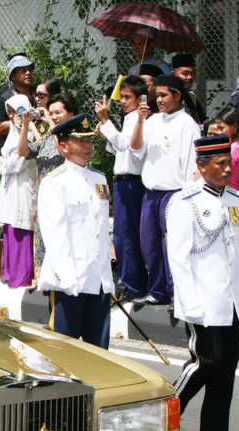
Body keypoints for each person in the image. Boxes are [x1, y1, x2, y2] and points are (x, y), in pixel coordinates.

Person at [166, 135, 239, 431]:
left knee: (225, 368)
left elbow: (238, 256)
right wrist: (191, 303)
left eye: (229, 162)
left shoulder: (236, 200)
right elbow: (179, 257)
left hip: (231, 303)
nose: (228, 169)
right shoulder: (185, 202)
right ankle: (164, 416)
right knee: (204, 362)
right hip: (202, 299)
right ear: (201, 165)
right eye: (220, 163)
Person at [38, 114, 114, 348]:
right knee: (65, 354)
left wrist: (107, 279)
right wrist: (67, 279)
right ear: (63, 146)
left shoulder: (99, 179)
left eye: (89, 141)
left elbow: (101, 229)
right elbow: (54, 234)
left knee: (100, 354)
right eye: (79, 141)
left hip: (98, 279)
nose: (87, 146)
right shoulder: (54, 182)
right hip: (70, 281)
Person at [130, 75, 201, 306]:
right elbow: (136, 148)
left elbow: (193, 165)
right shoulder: (152, 121)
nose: (158, 100)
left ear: (177, 95)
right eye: (156, 95)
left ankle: (177, 293)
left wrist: (188, 197)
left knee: (174, 247)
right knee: (149, 243)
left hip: (175, 193)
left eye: (163, 95)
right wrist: (140, 121)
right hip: (151, 192)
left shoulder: (187, 124)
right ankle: (158, 290)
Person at [96, 75, 148, 300]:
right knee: (121, 234)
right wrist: (106, 131)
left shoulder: (139, 118)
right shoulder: (129, 118)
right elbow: (119, 149)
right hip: (123, 181)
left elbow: (126, 145)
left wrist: (106, 121)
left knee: (127, 236)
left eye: (128, 97)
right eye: (122, 97)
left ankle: (134, 285)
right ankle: (131, 282)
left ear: (140, 98)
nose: (123, 101)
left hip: (132, 182)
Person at [25, 93, 74, 285]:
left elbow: (65, 152)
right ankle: (41, 275)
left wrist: (51, 125)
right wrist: (26, 126)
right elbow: (25, 151)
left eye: (58, 113)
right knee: (42, 234)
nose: (53, 116)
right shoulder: (46, 138)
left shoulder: (74, 137)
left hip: (64, 195)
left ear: (70, 113)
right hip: (44, 195)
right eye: (51, 113)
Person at [0, 95, 38, 288]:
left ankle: (21, 278)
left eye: (16, 111)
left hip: (22, 187)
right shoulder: (13, 133)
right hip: (10, 187)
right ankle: (11, 275)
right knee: (10, 227)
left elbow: (15, 164)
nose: (13, 116)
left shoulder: (28, 135)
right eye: (10, 112)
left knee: (20, 227)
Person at [0, 54, 34, 155]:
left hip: (34, 149)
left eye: (30, 69)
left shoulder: (38, 94)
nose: (28, 73)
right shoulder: (3, 98)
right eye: (23, 70)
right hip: (11, 152)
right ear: (12, 76)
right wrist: (23, 121)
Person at [213, 107, 239, 191]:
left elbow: (219, 173)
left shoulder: (233, 148)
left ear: (234, 126)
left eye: (221, 128)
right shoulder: (238, 144)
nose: (218, 132)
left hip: (232, 198)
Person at [172, 53, 205, 124]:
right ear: (173, 74)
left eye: (192, 73)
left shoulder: (191, 96)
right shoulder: (167, 97)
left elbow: (201, 120)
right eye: (185, 73)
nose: (190, 77)